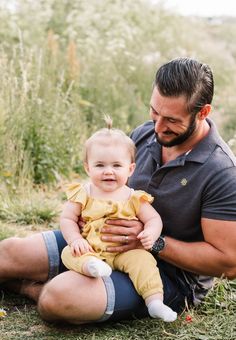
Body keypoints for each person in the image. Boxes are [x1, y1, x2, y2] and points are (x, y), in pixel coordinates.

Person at [0, 57, 236, 324]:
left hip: (168, 273)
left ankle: (31, 287)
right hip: (98, 239)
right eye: (154, 112)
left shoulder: (222, 173)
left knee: (58, 298)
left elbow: (228, 263)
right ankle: (62, 276)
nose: (157, 127)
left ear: (203, 112)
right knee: (8, 254)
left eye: (171, 120)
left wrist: (153, 242)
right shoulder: (145, 134)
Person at [60, 118, 177, 322]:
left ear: (130, 169)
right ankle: (91, 267)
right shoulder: (84, 192)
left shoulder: (134, 197)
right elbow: (67, 219)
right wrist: (75, 240)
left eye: (116, 165)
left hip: (126, 251)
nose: (108, 171)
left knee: (145, 262)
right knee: (68, 253)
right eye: (100, 165)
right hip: (91, 249)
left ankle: (155, 301)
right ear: (88, 168)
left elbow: (153, 219)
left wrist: (150, 233)